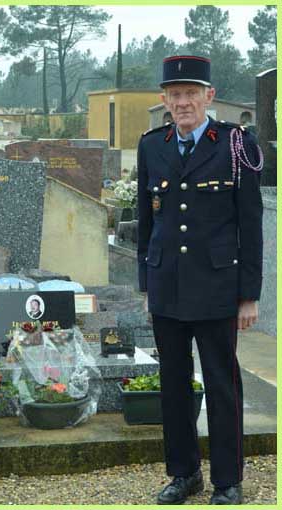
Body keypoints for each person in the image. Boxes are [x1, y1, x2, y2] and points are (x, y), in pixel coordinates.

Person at [137, 55, 263, 505]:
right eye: (175, 94)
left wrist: (249, 295)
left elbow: (250, 224)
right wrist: (146, 284)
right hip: (167, 286)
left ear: (209, 96)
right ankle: (184, 474)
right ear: (164, 99)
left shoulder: (235, 144)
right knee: (173, 386)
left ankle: (228, 481)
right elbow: (146, 220)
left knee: (222, 384)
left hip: (217, 288)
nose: (183, 102)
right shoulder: (152, 145)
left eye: (191, 93)